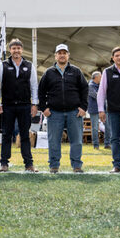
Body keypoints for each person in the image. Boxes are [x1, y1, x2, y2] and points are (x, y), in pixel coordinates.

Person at [38, 44, 88, 174]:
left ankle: (77, 166)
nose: (62, 55)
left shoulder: (76, 71)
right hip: (54, 113)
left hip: (74, 113)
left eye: (64, 53)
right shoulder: (48, 72)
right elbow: (41, 92)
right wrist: (44, 108)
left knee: (76, 141)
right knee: (53, 141)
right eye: (59, 53)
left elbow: (85, 89)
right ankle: (54, 166)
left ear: (68, 55)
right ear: (55, 55)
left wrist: (83, 107)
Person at [0, 39, 38, 172]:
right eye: (14, 48)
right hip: (7, 105)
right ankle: (4, 163)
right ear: (10, 50)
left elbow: (34, 86)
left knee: (25, 134)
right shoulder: (3, 65)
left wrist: (34, 104)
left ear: (22, 50)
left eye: (18, 48)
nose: (16, 50)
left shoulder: (29, 65)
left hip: (25, 105)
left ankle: (29, 164)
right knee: (6, 134)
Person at [88, 71, 111, 150]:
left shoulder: (101, 85)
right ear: (96, 77)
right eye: (100, 77)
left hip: (104, 109)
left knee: (108, 126)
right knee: (94, 128)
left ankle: (107, 144)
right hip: (94, 110)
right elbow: (97, 96)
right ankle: (96, 145)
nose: (102, 78)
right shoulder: (90, 86)